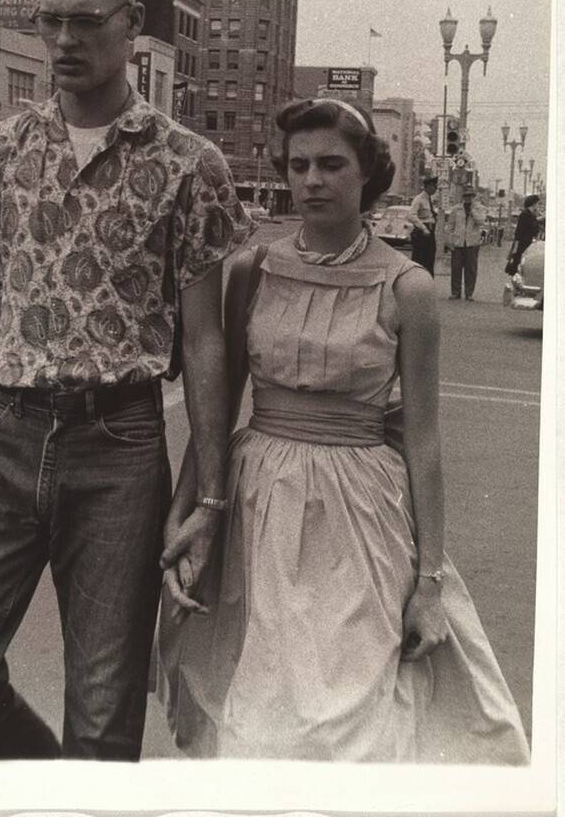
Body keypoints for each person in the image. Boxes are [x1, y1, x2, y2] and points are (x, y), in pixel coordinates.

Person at [0, 0, 254, 761]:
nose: (64, 40)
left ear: (132, 24)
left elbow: (206, 342)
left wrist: (208, 501)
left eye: (85, 21)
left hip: (119, 448)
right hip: (2, 434)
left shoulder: (187, 165)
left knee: (102, 718)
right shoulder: (0, 151)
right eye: (49, 19)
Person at [159, 98, 529, 763]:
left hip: (361, 515)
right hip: (259, 506)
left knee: (351, 712)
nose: (312, 180)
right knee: (263, 703)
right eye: (298, 165)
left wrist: (429, 581)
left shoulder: (406, 286)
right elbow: (219, 403)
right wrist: (190, 510)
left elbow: (423, 439)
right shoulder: (253, 269)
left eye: (331, 164)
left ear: (367, 174)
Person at [445, 188, 487, 300]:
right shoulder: (456, 209)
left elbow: (481, 221)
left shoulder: (480, 208)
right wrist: (449, 241)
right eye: (466, 196)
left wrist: (473, 211)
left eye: (470, 196)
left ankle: (469, 293)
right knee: (456, 268)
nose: (468, 198)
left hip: (472, 243)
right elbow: (450, 226)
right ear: (463, 197)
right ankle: (455, 292)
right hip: (458, 242)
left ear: (474, 197)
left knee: (471, 269)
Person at [406, 174, 438, 275]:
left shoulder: (430, 199)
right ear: (428, 186)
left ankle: (428, 284)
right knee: (419, 260)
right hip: (422, 233)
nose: (436, 189)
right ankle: (417, 284)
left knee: (429, 259)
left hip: (431, 232)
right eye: (434, 186)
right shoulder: (418, 199)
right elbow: (411, 215)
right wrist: (423, 228)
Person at [506, 194, 541, 271]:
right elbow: (518, 232)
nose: (538, 206)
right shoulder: (524, 215)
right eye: (538, 204)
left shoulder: (531, 215)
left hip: (528, 243)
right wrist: (515, 248)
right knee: (519, 267)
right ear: (533, 204)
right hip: (522, 245)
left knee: (523, 266)